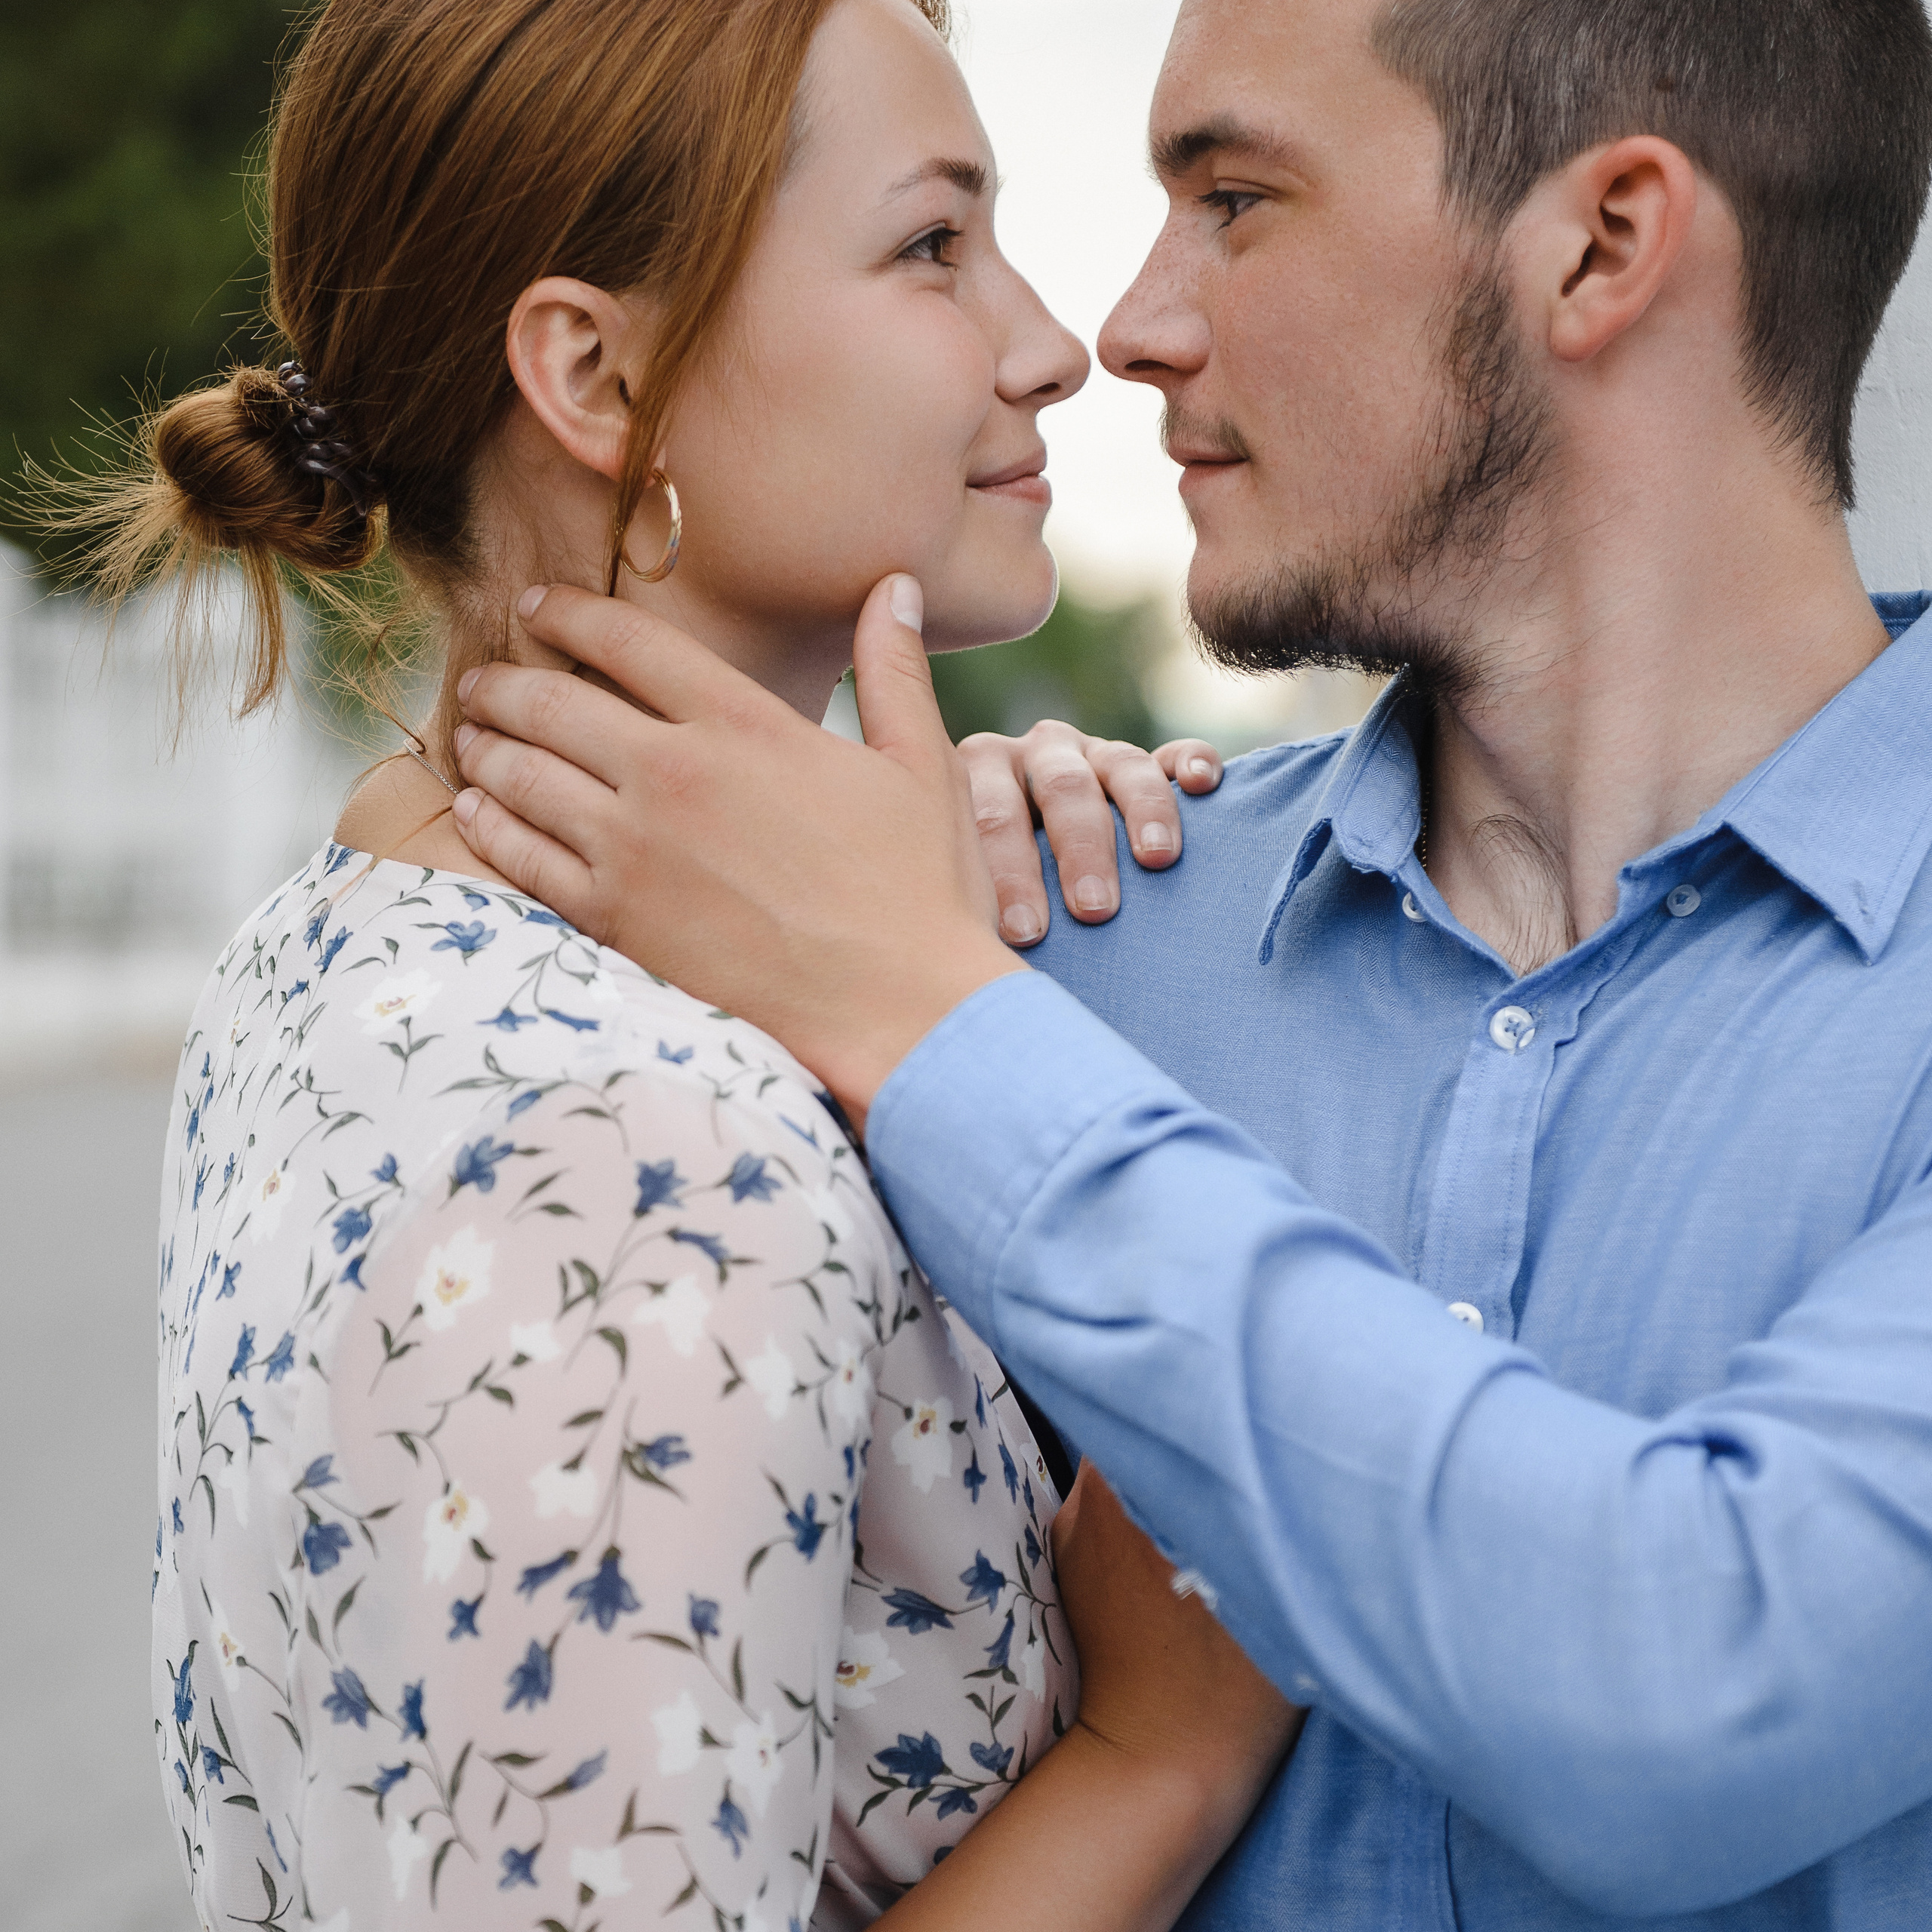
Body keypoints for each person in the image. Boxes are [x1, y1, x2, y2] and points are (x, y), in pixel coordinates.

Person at [436, 0, 1932, 1926]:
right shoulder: (1038, 909)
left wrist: (935, 1023)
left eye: (1234, 197)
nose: (1120, 328)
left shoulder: (944, 1010)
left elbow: (1699, 1687)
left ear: (1602, 245)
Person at [83, 1, 1299, 1927]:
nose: (1051, 348)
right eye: (929, 244)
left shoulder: (348, 933)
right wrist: (1154, 1757)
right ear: (590, 370)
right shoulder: (641, 1148)